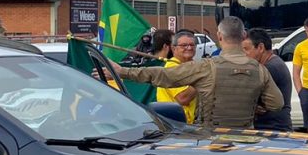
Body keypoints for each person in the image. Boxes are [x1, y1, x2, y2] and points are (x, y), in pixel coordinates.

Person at [115, 16, 283, 128]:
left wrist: (122, 71)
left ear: (219, 36)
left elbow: (162, 75)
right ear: (243, 35)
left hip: (210, 139)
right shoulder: (260, 70)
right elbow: (277, 104)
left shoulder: (205, 67)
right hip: (245, 139)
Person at [243, 28, 294, 131]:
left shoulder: (270, 68)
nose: (244, 54)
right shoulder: (273, 63)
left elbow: (246, 100)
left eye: (246, 49)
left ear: (261, 47)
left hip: (272, 130)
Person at [157, 30, 199, 123]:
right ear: (173, 48)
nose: (189, 48)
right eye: (184, 45)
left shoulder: (193, 66)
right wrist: (201, 77)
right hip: (174, 124)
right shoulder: (172, 68)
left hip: (189, 123)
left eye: (192, 45)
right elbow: (183, 98)